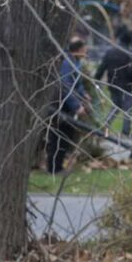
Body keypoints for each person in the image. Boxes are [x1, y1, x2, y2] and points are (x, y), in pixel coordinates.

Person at [46, 37, 90, 175]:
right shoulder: (67, 63)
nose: (86, 51)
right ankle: (54, 168)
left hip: (68, 105)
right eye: (84, 49)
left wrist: (84, 94)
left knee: (66, 136)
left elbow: (77, 82)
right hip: (61, 105)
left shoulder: (76, 62)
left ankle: (59, 166)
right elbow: (66, 86)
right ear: (78, 50)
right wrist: (76, 106)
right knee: (58, 136)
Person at [94, 30, 132, 136]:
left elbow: (102, 67)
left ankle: (106, 125)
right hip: (126, 85)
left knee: (116, 106)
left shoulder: (110, 52)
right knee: (128, 109)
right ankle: (125, 132)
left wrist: (96, 79)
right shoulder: (130, 54)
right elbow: (131, 71)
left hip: (113, 84)